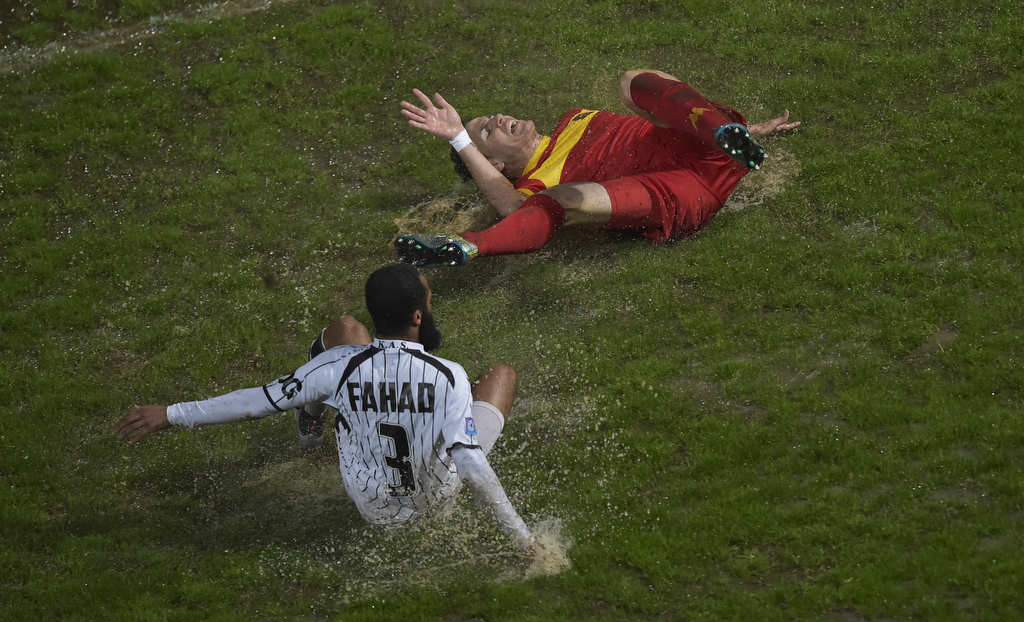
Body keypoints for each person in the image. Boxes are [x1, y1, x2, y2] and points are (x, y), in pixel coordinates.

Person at [115, 263, 540, 556]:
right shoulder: (450, 376)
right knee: (501, 375)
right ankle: (317, 413)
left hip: (373, 506)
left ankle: (310, 421)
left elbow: (254, 401)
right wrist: (523, 540)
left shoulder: (339, 365)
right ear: (417, 315)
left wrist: (171, 413)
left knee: (342, 333)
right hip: (437, 496)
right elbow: (470, 466)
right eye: (428, 301)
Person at [394, 69, 801, 266]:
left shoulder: (574, 118)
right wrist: (459, 139)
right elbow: (512, 209)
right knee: (565, 200)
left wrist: (748, 131)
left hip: (705, 147)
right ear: (496, 164)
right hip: (675, 190)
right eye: (487, 132)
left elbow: (665, 109)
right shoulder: (535, 186)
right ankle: (469, 245)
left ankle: (723, 130)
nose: (498, 118)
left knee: (630, 83)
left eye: (488, 118)